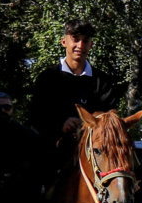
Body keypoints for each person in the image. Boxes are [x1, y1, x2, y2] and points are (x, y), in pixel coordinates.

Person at [27, 19, 124, 167]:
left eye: (85, 41)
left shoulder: (102, 81)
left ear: (91, 45)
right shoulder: (47, 77)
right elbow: (35, 116)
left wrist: (87, 124)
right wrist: (60, 124)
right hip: (51, 154)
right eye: (75, 40)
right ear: (64, 42)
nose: (80, 46)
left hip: (95, 154)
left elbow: (109, 117)